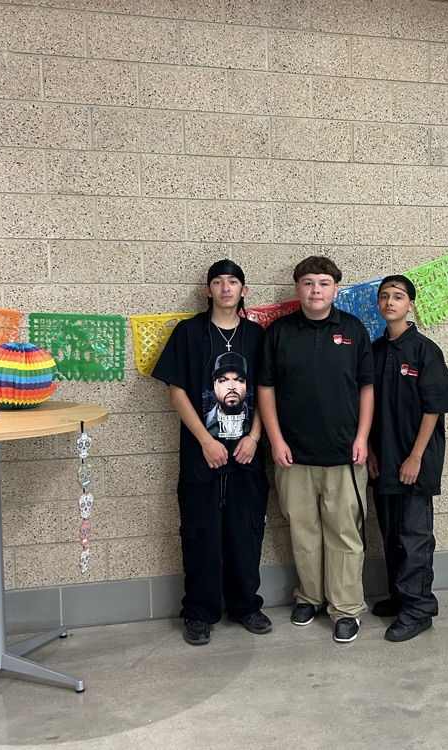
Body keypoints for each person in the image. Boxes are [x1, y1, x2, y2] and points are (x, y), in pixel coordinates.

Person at [152, 259, 271, 646]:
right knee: (200, 535)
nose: (225, 288)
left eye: (233, 282)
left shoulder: (258, 336)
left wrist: (254, 436)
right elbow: (176, 391)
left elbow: (269, 393)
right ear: (207, 290)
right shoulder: (188, 333)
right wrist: (206, 440)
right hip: (201, 456)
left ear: (243, 291)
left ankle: (245, 607)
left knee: (245, 534)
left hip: (248, 456)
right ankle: (199, 613)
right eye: (217, 282)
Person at [258, 256, 374, 644]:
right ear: (297, 289)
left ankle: (346, 609)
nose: (316, 291)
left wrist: (362, 438)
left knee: (344, 534)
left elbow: (366, 388)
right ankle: (309, 596)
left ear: (335, 289)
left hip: (344, 454)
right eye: (308, 283)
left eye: (323, 283)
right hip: (293, 455)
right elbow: (266, 390)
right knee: (303, 533)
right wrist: (275, 440)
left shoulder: (354, 331)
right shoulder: (279, 333)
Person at [367, 275, 448, 642]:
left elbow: (434, 408)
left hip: (415, 461)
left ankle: (419, 609)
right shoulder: (372, 351)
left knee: (414, 535)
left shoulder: (424, 350)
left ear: (410, 305)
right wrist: (371, 452)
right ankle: (400, 597)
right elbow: (364, 409)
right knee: (391, 535)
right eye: (385, 296)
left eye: (398, 296)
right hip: (382, 460)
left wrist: (415, 457)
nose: (390, 301)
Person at [205, 352, 249, 440]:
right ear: (215, 385)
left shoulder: (253, 422)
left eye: (239, 380)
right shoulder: (205, 421)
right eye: (223, 380)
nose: (231, 387)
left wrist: (253, 438)